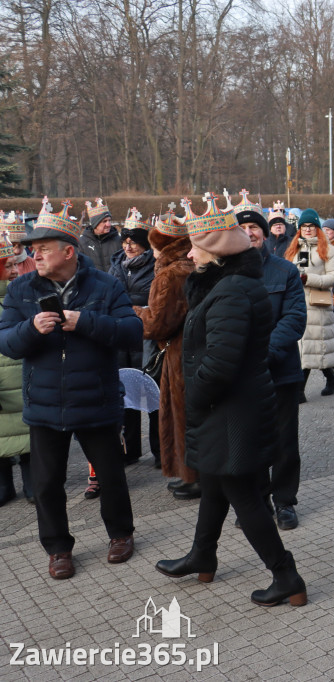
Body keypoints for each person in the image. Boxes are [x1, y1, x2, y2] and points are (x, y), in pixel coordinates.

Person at [155, 197, 306, 608]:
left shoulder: (232, 292)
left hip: (229, 410)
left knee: (243, 495)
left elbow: (221, 363)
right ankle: (202, 555)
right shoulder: (227, 285)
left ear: (217, 252)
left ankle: (286, 575)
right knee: (214, 484)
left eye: (196, 248)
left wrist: (194, 397)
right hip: (227, 408)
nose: (190, 255)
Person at [0, 199, 142, 580]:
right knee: (47, 485)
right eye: (33, 249)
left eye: (43, 249)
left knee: (111, 476)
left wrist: (86, 322)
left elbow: (132, 331)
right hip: (45, 404)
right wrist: (31, 329)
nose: (34, 255)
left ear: (68, 252)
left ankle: (121, 534)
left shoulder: (106, 286)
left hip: (96, 399)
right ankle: (58, 549)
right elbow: (6, 341)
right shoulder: (21, 290)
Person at [235, 192, 307, 530]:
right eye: (242, 227)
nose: (249, 232)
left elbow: (294, 319)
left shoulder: (285, 270)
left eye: (254, 227)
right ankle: (258, 501)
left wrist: (262, 355)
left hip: (280, 372)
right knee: (248, 441)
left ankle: (285, 501)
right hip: (240, 375)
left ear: (264, 233)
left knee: (283, 441)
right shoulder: (225, 272)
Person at [135, 213, 197, 499]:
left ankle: (192, 476)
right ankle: (192, 474)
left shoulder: (169, 274)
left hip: (177, 353)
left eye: (154, 247)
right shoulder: (189, 265)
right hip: (190, 348)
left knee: (181, 415)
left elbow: (157, 324)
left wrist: (135, 312)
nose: (152, 252)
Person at [109, 210, 157, 471]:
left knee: (151, 392)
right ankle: (130, 450)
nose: (128, 247)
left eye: (134, 242)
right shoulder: (116, 264)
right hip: (120, 336)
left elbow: (155, 299)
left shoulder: (153, 265)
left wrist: (130, 307)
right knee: (125, 393)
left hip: (145, 336)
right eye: (125, 241)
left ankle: (160, 451)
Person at [285, 209, 334, 398]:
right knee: (307, 346)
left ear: (317, 228)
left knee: (311, 346)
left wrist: (308, 279)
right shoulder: (294, 248)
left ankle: (299, 391)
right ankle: (332, 377)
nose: (308, 229)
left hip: (318, 303)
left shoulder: (328, 249)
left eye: (311, 226)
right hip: (297, 301)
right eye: (304, 226)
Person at [0, 248, 31, 506]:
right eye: (8, 266)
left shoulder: (21, 294)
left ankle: (33, 483)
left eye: (14, 265)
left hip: (22, 375)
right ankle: (3, 485)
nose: (14, 271)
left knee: (29, 432)